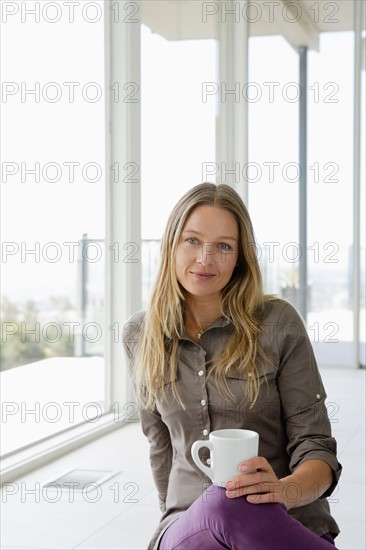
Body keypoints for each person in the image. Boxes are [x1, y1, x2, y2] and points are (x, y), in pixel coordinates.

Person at [123, 183, 342, 550]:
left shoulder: (278, 323)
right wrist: (177, 526)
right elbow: (160, 447)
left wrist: (283, 491)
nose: (205, 259)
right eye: (192, 240)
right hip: (190, 526)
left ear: (240, 258)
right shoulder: (139, 334)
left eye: (223, 246)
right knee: (222, 501)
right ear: (171, 246)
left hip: (283, 525)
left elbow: (316, 445)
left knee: (236, 503)